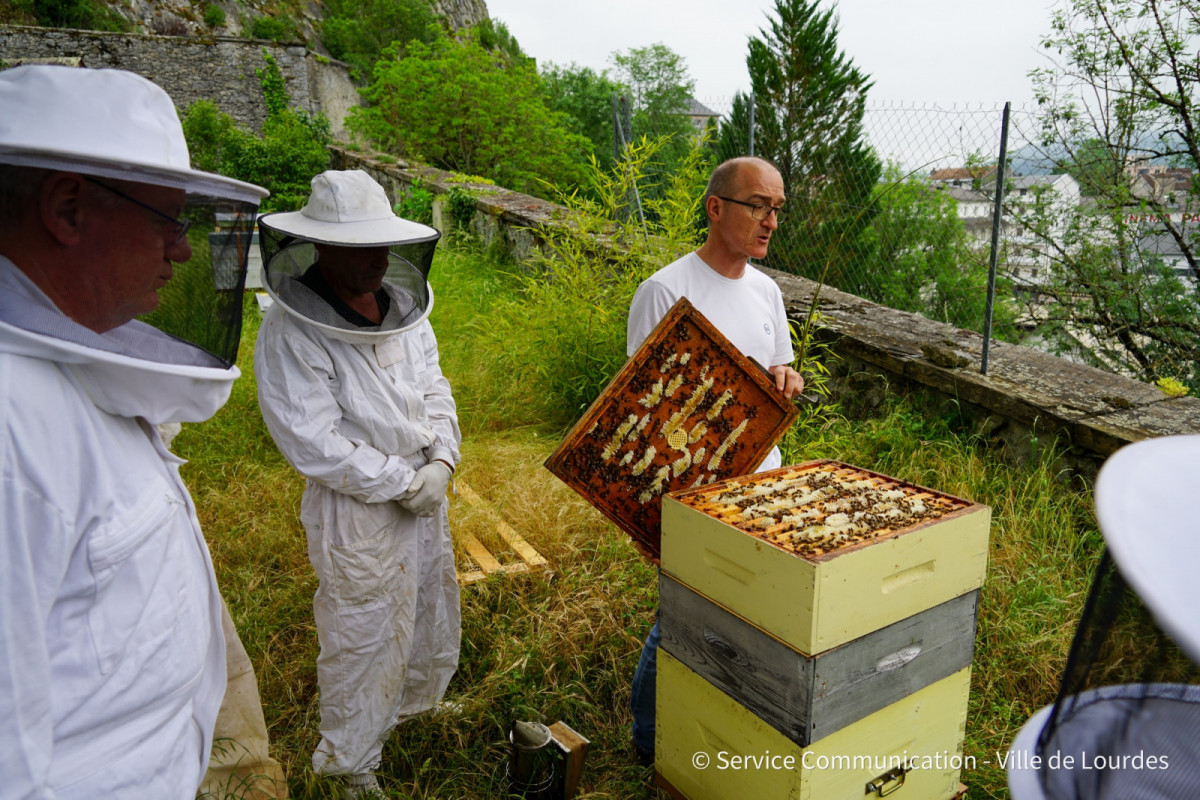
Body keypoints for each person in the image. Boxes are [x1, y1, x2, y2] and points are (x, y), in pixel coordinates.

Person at [0, 65, 269, 798]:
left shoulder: (68, 368)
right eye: (166, 221)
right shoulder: (9, 424)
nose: (183, 252)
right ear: (68, 209)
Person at [254, 169, 461, 799]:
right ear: (321, 248)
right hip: (359, 510)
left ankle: (419, 704)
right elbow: (311, 440)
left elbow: (435, 386)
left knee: (428, 602)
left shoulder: (406, 310)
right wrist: (403, 481)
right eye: (359, 248)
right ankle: (350, 761)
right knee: (363, 629)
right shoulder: (291, 331)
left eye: (382, 245)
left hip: (425, 488)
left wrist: (443, 460)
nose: (376, 260)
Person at [625, 156, 804, 763]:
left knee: (754, 612)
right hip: (696, 489)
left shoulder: (767, 290)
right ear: (716, 207)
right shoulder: (665, 289)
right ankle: (649, 739)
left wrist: (784, 378)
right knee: (687, 613)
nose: (770, 221)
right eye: (757, 204)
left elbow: (776, 368)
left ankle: (725, 721)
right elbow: (643, 406)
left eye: (777, 208)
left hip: (764, 477)